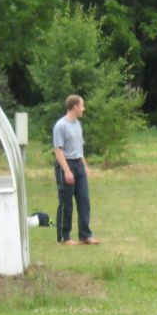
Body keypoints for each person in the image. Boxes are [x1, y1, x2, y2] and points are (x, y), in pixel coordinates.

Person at [53, 94, 99, 245]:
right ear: (74, 107)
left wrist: (84, 165)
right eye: (82, 106)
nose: (83, 109)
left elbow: (79, 148)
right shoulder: (61, 126)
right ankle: (64, 237)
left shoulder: (78, 124)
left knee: (84, 200)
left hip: (78, 164)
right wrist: (67, 171)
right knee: (66, 203)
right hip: (66, 164)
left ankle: (85, 235)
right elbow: (58, 150)